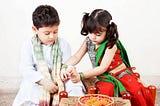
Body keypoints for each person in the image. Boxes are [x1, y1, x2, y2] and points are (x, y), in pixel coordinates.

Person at [62, 9, 154, 106]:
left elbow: (103, 68)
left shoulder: (111, 45)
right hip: (104, 76)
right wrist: (64, 66)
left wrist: (80, 75)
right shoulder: (88, 41)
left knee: (135, 90)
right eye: (90, 32)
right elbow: (76, 56)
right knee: (105, 91)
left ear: (108, 31)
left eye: (98, 34)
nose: (93, 37)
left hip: (120, 74)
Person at [12, 5, 84, 106]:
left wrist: (66, 71)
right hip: (39, 80)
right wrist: (43, 81)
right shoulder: (28, 45)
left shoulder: (63, 44)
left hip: (59, 79)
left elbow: (67, 64)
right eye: (47, 33)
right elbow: (26, 69)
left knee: (75, 86)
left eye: (55, 32)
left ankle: (68, 102)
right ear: (35, 29)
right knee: (28, 88)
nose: (52, 36)